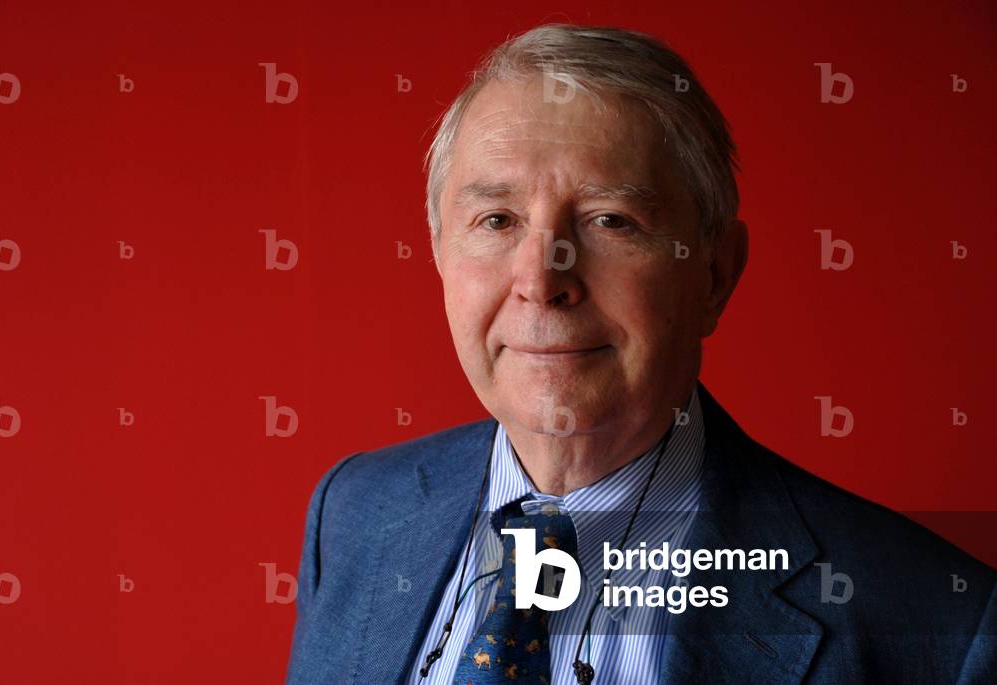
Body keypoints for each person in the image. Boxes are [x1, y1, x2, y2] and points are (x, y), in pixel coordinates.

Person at [285, 24, 995, 685]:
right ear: (440, 255)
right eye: (496, 220)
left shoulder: (942, 625)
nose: (541, 280)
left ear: (714, 273)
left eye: (610, 221)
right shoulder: (353, 512)